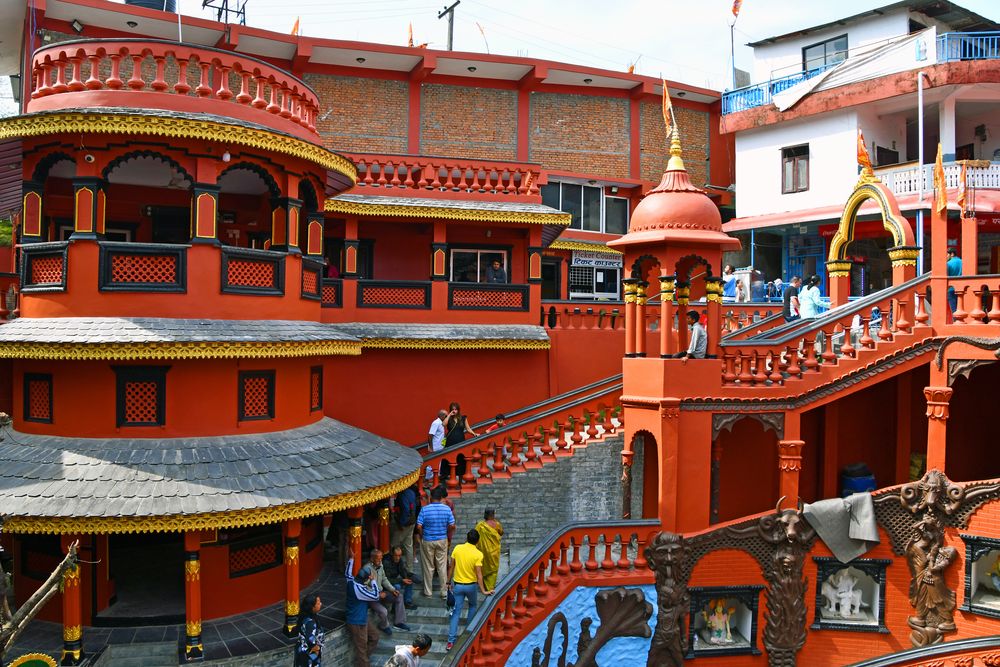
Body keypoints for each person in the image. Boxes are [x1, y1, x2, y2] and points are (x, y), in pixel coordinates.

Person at [445, 528, 494, 651]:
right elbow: (479, 574)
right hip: (471, 586)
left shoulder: (457, 549)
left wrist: (447, 581)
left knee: (456, 612)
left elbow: (451, 567)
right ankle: (467, 637)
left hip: (458, 585)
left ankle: (451, 641)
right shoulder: (478, 554)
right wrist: (483, 590)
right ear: (477, 542)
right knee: (472, 606)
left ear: (466, 538)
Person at [415, 485, 455, 599]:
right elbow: (452, 525)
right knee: (442, 566)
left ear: (431, 498)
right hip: (442, 539)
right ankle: (444, 592)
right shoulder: (447, 509)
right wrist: (446, 533)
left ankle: (428, 592)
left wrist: (423, 535)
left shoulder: (425, 509)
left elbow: (419, 526)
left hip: (428, 539)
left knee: (428, 566)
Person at [364, 549, 410, 634]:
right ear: (372, 559)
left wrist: (392, 590)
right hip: (372, 598)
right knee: (384, 611)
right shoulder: (366, 569)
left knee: (399, 596)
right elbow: (363, 587)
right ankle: (383, 625)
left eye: (381, 559)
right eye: (378, 560)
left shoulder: (380, 566)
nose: (380, 561)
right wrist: (377, 594)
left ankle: (399, 622)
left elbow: (384, 579)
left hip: (382, 594)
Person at [345, 560, 381, 667]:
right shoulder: (359, 591)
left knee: (375, 636)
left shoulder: (351, 582)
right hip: (357, 622)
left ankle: (362, 661)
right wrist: (373, 581)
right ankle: (363, 663)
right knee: (362, 647)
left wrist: (351, 559)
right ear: (366, 579)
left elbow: (347, 573)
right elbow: (375, 596)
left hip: (362, 618)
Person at [444, 402, 477, 481]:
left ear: (458, 410)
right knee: (451, 460)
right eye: (452, 409)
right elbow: (443, 424)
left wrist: (474, 434)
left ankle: (460, 480)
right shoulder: (449, 418)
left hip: (460, 442)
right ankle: (452, 479)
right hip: (450, 442)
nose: (454, 411)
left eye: (456, 409)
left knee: (460, 460)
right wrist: (449, 415)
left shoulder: (463, 418)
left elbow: (468, 429)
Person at [391, 483, 419, 572]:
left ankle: (393, 568)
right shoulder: (411, 492)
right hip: (412, 521)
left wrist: (402, 523)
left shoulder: (403, 495)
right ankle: (409, 569)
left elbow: (406, 510)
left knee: (393, 544)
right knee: (408, 545)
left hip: (405, 523)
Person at [474, 508, 503, 590]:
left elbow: (475, 535)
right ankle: (490, 587)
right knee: (493, 569)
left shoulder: (480, 525)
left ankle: (484, 584)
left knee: (484, 567)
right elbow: (501, 533)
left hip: (484, 551)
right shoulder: (497, 524)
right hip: (494, 552)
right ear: (493, 515)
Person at [384, 546, 417, 611]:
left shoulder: (399, 560)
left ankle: (407, 602)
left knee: (409, 582)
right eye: (396, 555)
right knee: (397, 586)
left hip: (395, 580)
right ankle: (395, 606)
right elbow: (386, 580)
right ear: (392, 554)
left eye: (399, 556)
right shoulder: (386, 563)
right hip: (387, 584)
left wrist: (408, 577)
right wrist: (401, 580)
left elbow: (403, 571)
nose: (398, 558)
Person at [295, 594, 324, 667]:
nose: (320, 604)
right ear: (312, 607)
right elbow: (310, 640)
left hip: (301, 650)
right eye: (318, 603)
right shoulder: (310, 622)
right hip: (309, 653)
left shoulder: (304, 617)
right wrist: (316, 649)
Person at [426, 409, 446, 481]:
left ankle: (434, 480)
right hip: (435, 447)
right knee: (431, 465)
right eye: (445, 416)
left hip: (439, 447)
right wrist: (431, 448)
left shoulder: (441, 423)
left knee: (438, 464)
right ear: (442, 416)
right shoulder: (436, 423)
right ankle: (426, 481)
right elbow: (430, 435)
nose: (446, 417)